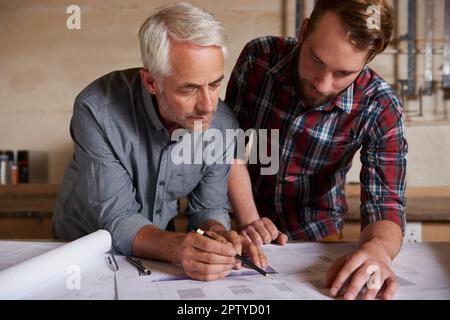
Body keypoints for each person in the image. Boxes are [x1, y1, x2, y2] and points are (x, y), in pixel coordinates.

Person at [53, 2, 266, 282]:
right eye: (189, 88)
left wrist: (218, 236)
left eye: (214, 84)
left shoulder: (223, 122)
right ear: (151, 82)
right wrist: (178, 247)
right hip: (79, 250)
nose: (207, 106)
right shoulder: (97, 110)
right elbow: (117, 219)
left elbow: (206, 208)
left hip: (157, 250)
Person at [226, 0, 407, 299]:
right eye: (316, 60)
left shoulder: (381, 106)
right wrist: (248, 219)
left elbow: (385, 203)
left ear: (368, 59)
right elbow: (226, 148)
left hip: (318, 235)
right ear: (305, 29)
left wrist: (377, 251)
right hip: (246, 221)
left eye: (343, 73)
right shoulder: (258, 57)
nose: (323, 84)